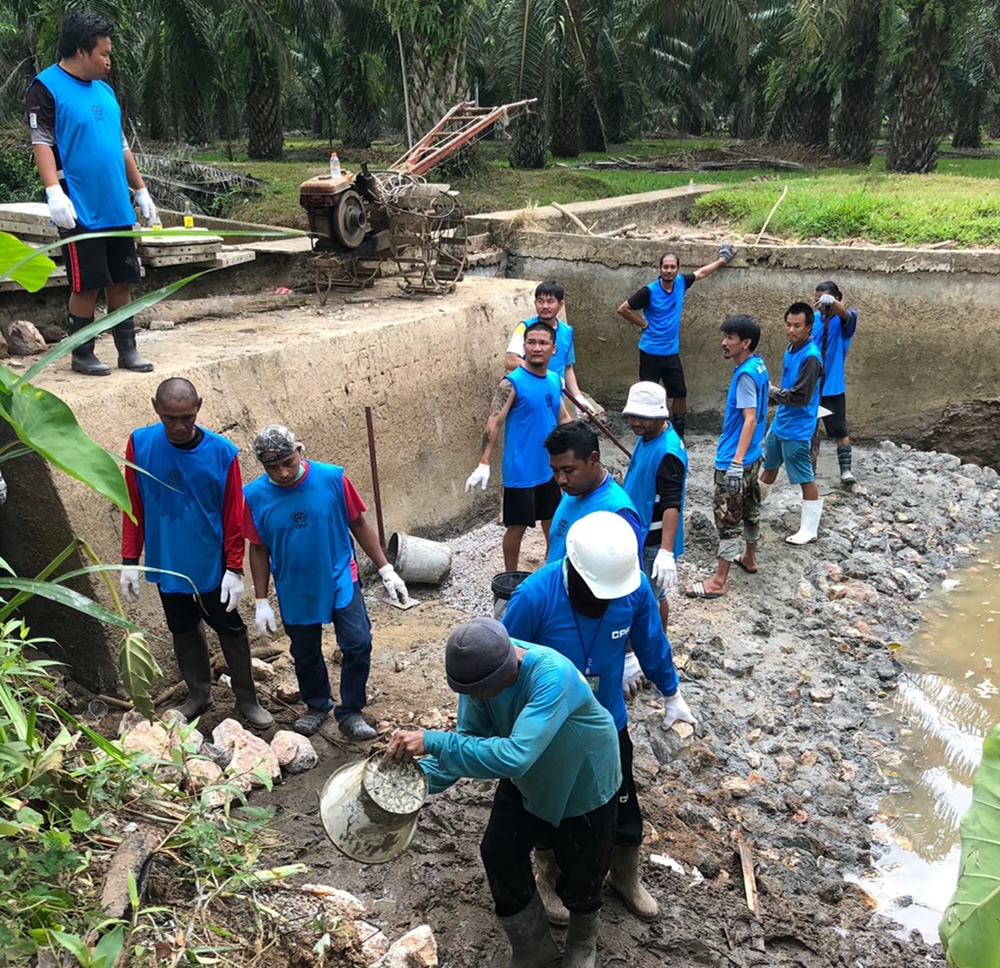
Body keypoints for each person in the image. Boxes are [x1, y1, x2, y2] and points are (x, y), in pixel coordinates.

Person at [385, 617, 622, 968]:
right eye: (469, 691)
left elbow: (516, 756)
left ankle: (582, 940)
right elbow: (469, 744)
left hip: (583, 780)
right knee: (499, 852)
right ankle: (533, 948)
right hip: (527, 775)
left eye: (480, 691)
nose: (475, 698)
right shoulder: (478, 676)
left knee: (583, 876)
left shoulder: (552, 675)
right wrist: (412, 787)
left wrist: (432, 740)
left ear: (506, 666)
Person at [502, 511, 695, 925]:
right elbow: (505, 664)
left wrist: (672, 693)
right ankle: (549, 874)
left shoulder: (633, 588)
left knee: (622, 803)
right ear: (573, 567)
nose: (605, 601)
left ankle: (625, 875)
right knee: (546, 807)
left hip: (608, 723)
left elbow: (651, 642)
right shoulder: (534, 597)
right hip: (548, 730)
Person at [119, 378, 272, 728]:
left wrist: (234, 568)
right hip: (167, 559)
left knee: (229, 627)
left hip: (210, 561)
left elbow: (234, 514)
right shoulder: (141, 444)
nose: (179, 426)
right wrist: (130, 560)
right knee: (182, 627)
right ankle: (198, 693)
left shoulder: (221, 452)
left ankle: (247, 699)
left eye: (186, 417)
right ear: (156, 409)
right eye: (170, 418)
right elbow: (133, 503)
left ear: (199, 407)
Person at [243, 425, 409, 739]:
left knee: (358, 642)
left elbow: (358, 522)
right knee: (305, 652)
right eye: (272, 467)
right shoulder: (254, 497)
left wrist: (385, 568)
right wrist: (261, 599)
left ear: (299, 452)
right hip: (295, 585)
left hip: (339, 575)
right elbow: (259, 548)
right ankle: (317, 704)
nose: (282, 472)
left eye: (287, 462)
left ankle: (351, 711)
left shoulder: (332, 479)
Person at [26, 10, 157, 377]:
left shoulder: (106, 92)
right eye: (103, 53)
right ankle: (82, 353)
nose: (109, 61)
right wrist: (54, 191)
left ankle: (127, 349)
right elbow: (42, 142)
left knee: (121, 278)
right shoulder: (46, 87)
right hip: (79, 203)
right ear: (81, 51)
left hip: (115, 201)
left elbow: (120, 145)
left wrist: (141, 190)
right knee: (88, 283)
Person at [466, 321, 572, 572]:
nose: (537, 348)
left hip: (549, 470)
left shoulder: (555, 380)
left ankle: (551, 571)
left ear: (554, 349)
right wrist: (484, 462)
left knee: (552, 523)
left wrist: (577, 447)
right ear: (524, 346)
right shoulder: (512, 383)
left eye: (543, 343)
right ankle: (510, 578)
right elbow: (494, 422)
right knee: (516, 527)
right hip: (520, 471)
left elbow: (563, 418)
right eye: (531, 342)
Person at [685, 315, 769, 600]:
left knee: (727, 518)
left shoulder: (745, 374)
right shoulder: (759, 366)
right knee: (750, 506)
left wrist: (735, 461)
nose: (724, 342)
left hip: (735, 458)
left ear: (745, 343)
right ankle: (750, 558)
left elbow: (748, 419)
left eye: (730, 338)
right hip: (753, 455)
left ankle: (719, 581)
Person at [616, 244, 737, 439]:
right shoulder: (649, 291)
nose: (669, 270)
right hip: (650, 353)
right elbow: (623, 309)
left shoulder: (681, 282)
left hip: (671, 353)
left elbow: (701, 273)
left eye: (673, 267)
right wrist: (643, 324)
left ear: (677, 269)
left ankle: (678, 435)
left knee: (680, 393)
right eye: (665, 267)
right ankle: (646, 435)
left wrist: (722, 260)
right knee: (647, 395)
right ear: (660, 269)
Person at [621, 382, 688, 630]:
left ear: (660, 415)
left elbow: (672, 503)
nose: (635, 422)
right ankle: (658, 644)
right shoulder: (649, 436)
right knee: (656, 596)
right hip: (640, 532)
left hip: (653, 540)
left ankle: (648, 651)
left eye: (643, 417)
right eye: (633, 416)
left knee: (644, 601)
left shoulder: (668, 452)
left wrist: (666, 551)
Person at [760, 303, 824, 544]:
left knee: (804, 477)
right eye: (788, 325)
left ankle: (809, 529)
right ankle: (756, 504)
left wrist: (773, 392)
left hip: (798, 427)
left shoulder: (810, 358)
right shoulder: (791, 348)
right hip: (781, 422)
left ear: (809, 327)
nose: (791, 330)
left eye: (797, 326)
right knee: (770, 465)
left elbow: (800, 396)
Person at [543, 421, 641, 563]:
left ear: (593, 459)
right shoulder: (572, 491)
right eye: (555, 471)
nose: (561, 480)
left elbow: (629, 578)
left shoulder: (618, 512)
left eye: (569, 470)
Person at [812, 281, 858, 485]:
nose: (820, 306)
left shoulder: (844, 320)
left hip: (832, 386)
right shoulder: (812, 320)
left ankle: (846, 471)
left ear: (836, 299)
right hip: (811, 386)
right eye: (817, 301)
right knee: (808, 430)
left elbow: (845, 313)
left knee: (840, 430)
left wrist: (834, 305)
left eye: (823, 301)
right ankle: (808, 470)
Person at [504, 281, 582, 397]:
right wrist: (548, 376)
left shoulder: (567, 331)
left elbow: (567, 367)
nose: (545, 306)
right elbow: (510, 361)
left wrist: (577, 396)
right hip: (529, 394)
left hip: (556, 397)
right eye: (540, 301)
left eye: (550, 302)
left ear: (561, 304)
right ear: (535, 303)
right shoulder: (525, 328)